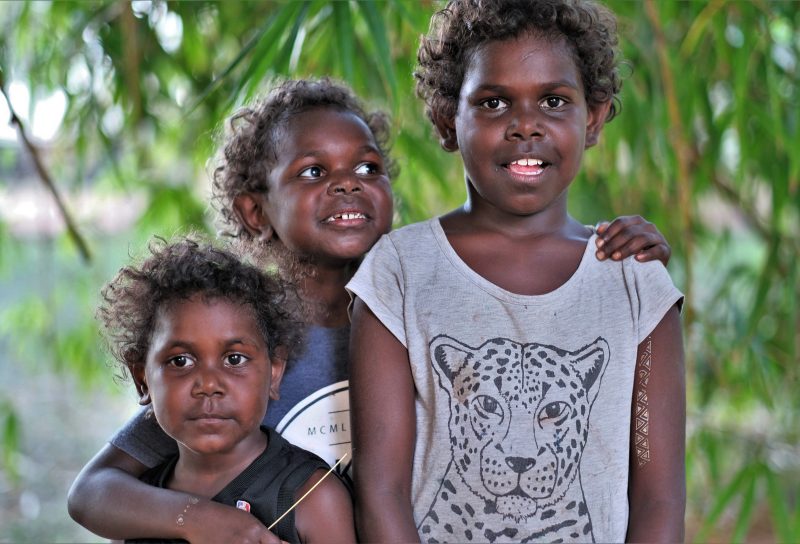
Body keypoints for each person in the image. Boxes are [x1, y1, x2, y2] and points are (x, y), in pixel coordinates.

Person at [68, 77, 672, 542]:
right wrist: (200, 521)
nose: (347, 183)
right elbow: (94, 489)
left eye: (367, 168)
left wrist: (615, 254)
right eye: (313, 171)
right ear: (256, 211)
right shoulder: (234, 350)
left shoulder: (417, 304)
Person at [347, 1, 686, 543]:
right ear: (445, 118)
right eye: (494, 101)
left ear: (592, 118)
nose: (525, 124)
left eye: (554, 100)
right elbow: (380, 491)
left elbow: (660, 498)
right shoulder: (399, 273)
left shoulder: (635, 282)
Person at [96, 236, 354, 543]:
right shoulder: (139, 508)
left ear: (274, 372)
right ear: (143, 380)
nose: (208, 384)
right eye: (180, 361)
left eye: (234, 359)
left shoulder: (311, 497)